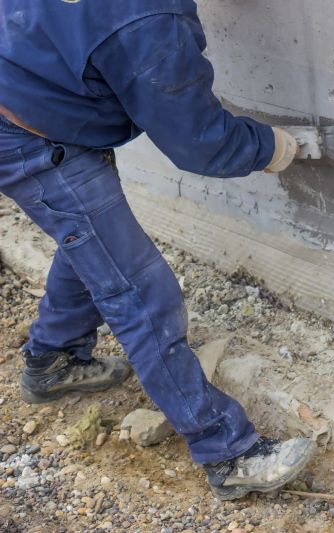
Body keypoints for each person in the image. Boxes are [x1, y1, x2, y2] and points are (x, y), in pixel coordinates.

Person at [0, 1, 315, 500]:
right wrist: (272, 148)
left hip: (36, 102)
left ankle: (53, 361)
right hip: (27, 133)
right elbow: (199, 142)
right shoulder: (147, 20)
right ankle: (227, 452)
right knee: (141, 292)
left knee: (92, 242)